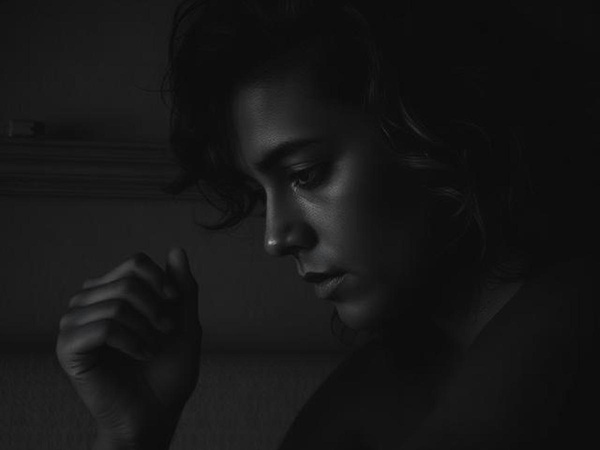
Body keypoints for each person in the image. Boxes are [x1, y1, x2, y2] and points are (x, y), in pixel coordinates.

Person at [55, 1, 599, 449]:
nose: (275, 238)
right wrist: (129, 431)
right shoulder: (387, 377)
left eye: (305, 174)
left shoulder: (567, 319)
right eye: (258, 193)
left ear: (439, 128)